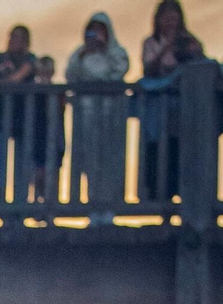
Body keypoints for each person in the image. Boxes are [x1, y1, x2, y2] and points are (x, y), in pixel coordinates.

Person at [138, 0, 206, 203]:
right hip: (158, 108)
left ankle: (186, 199)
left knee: (182, 150)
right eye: (165, 18)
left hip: (183, 108)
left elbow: (200, 64)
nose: (169, 22)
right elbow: (148, 69)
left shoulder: (189, 41)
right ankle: (160, 199)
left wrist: (190, 49)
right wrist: (165, 48)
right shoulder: (151, 43)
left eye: (173, 18)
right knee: (157, 150)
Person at [66, 13, 130, 219]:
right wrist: (84, 53)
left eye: (100, 30)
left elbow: (120, 70)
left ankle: (109, 208)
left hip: (111, 113)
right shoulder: (80, 54)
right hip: (86, 113)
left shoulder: (117, 52)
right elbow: (70, 75)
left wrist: (105, 49)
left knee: (110, 160)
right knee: (89, 159)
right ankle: (93, 206)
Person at [0, 26, 41, 202]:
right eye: (11, 37)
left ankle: (20, 199)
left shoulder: (30, 59)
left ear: (26, 42)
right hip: (1, 115)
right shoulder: (1, 58)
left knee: (22, 159)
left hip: (24, 116)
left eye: (17, 38)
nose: (12, 41)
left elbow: (17, 78)